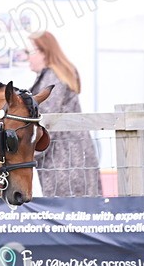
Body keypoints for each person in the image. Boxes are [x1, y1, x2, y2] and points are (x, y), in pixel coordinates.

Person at [27, 30, 103, 197]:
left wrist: (25, 154)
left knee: (69, 210)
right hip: (70, 156)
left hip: (66, 160)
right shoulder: (53, 76)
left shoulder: (52, 79)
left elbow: (45, 120)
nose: (28, 57)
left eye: (30, 52)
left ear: (44, 52)